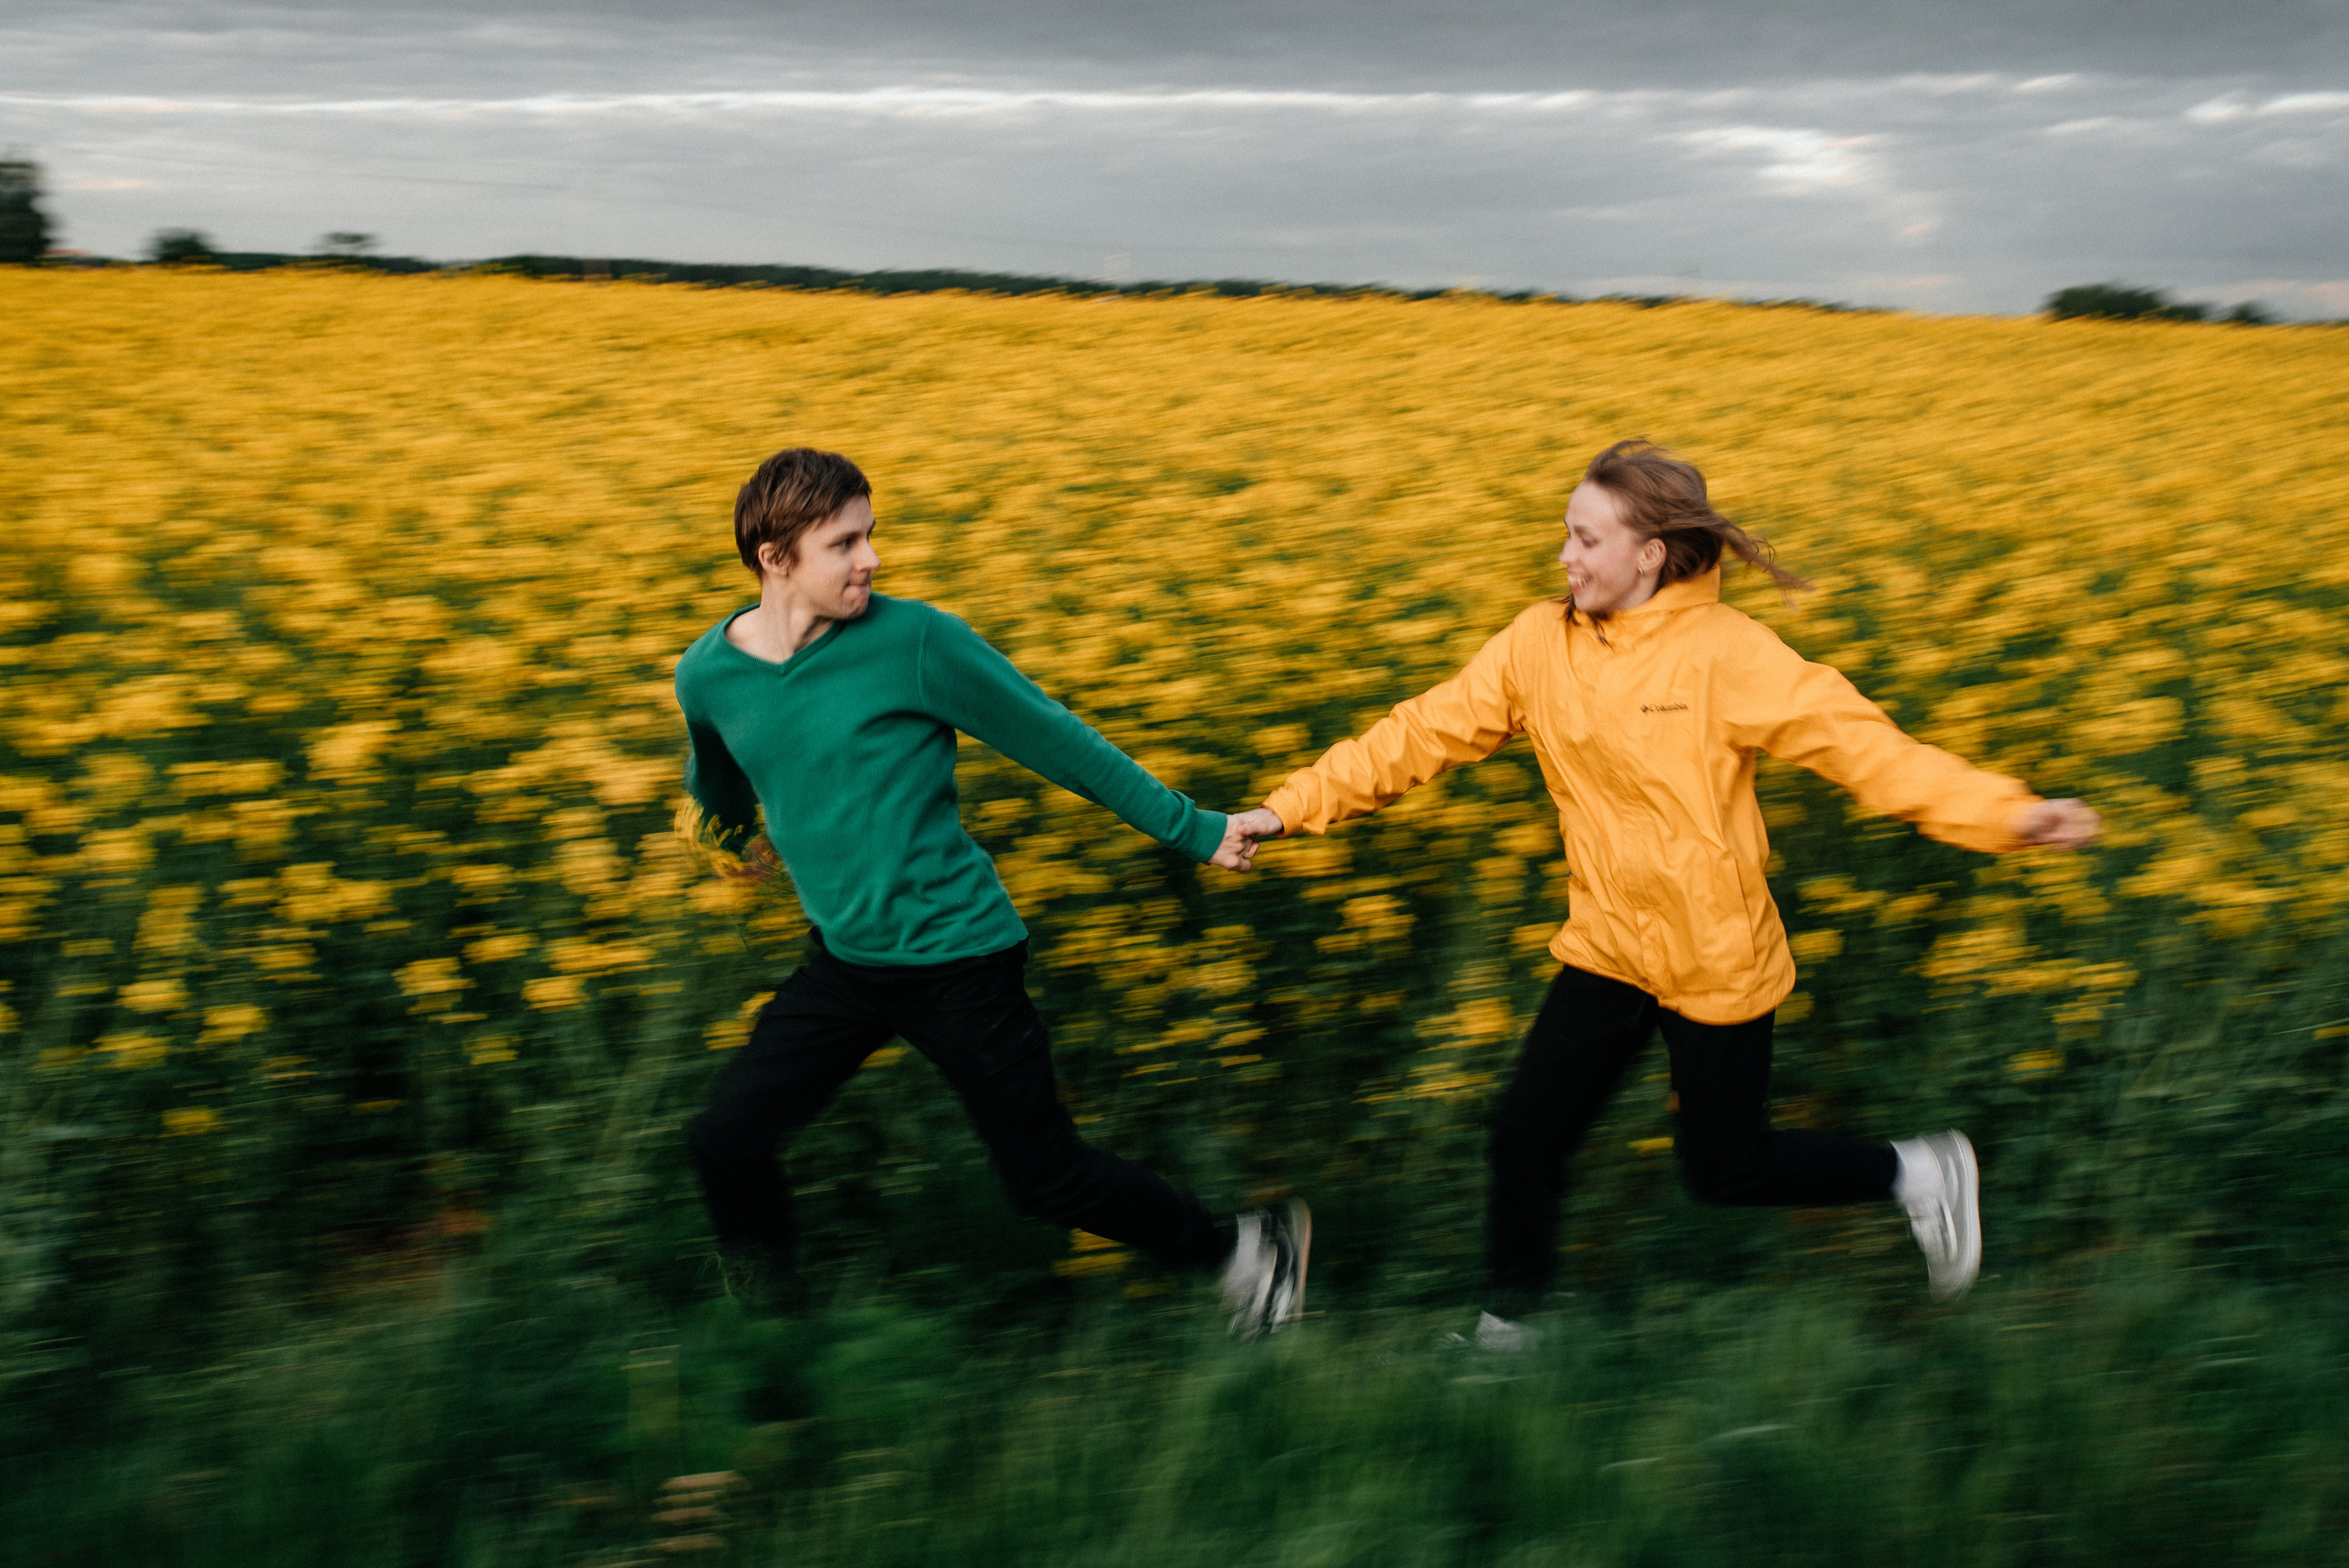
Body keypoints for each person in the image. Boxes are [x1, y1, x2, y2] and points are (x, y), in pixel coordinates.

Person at [1227, 439, 2098, 1350]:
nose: (1564, 555)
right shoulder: (1537, 642)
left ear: (1650, 554)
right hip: (1608, 941)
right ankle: (1506, 1334)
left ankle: (1919, 1171)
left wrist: (2007, 813)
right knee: (1524, 1129)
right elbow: (1415, 736)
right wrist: (1284, 810)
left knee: (1725, 1167)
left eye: (1585, 538)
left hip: (1714, 952)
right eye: (1565, 534)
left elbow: (1867, 752)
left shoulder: (1728, 654)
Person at [676, 447, 1307, 1337]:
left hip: (959, 958)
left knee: (1042, 1177)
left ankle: (1248, 1250)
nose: (872, 559)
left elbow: (1058, 739)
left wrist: (1193, 828)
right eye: (844, 542)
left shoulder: (916, 642)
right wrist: (727, 845)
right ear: (775, 557)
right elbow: (716, 776)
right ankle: (773, 1347)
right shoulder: (708, 671)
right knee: (725, 1142)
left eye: (871, 534)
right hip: (847, 963)